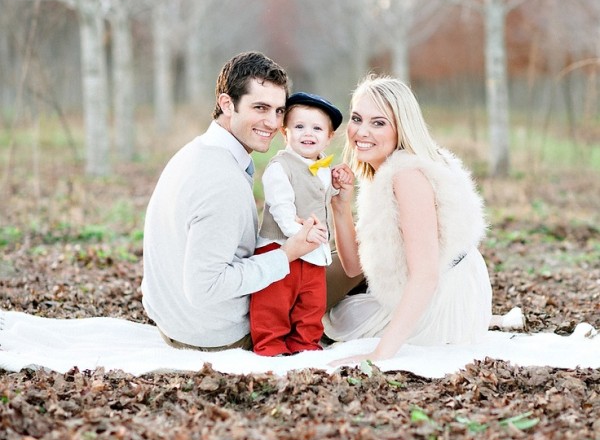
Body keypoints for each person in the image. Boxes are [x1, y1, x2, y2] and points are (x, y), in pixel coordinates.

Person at [141, 52, 326, 351]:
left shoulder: (196, 151)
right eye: (260, 108)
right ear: (228, 104)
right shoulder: (221, 180)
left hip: (174, 320)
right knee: (344, 264)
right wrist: (288, 254)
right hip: (216, 333)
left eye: (279, 111)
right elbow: (205, 288)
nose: (272, 122)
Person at [325, 75, 493, 363]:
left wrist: (380, 353)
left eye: (378, 123)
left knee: (334, 320)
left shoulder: (407, 176)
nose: (361, 132)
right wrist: (340, 207)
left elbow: (426, 275)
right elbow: (355, 267)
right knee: (319, 287)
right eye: (357, 118)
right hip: (424, 283)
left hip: (444, 299)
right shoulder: (380, 171)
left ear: (401, 128)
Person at [250, 91, 351, 356]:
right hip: (282, 248)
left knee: (312, 303)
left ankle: (304, 344)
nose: (308, 133)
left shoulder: (322, 169)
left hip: (315, 253)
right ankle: (269, 344)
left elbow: (321, 198)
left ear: (329, 137)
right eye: (299, 126)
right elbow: (282, 209)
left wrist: (340, 189)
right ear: (286, 133)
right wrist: (300, 234)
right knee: (274, 301)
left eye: (317, 128)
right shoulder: (279, 168)